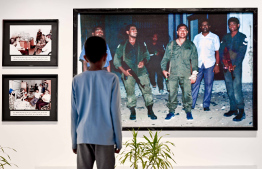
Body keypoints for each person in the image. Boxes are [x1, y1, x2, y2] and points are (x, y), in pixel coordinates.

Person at [71, 36, 122, 169]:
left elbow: (73, 114)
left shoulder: (77, 80)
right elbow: (115, 113)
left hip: (83, 136)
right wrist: (118, 140)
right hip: (105, 137)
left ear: (85, 58)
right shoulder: (112, 79)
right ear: (105, 56)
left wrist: (74, 141)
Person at [113, 24, 157, 120]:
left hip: (142, 72)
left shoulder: (141, 44)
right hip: (128, 73)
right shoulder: (122, 45)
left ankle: (150, 110)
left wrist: (143, 62)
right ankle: (132, 111)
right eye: (133, 29)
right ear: (127, 32)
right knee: (130, 93)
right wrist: (124, 71)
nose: (135, 31)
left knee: (147, 91)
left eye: (136, 29)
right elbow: (116, 61)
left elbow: (147, 56)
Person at [161, 24, 198, 120]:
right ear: (177, 32)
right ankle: (171, 111)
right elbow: (165, 58)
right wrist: (164, 70)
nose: (182, 31)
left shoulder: (191, 45)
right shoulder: (171, 44)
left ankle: (188, 111)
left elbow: (194, 60)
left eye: (184, 30)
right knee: (172, 93)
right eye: (180, 30)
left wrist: (194, 74)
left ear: (187, 32)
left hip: (186, 73)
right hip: (173, 73)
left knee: (187, 93)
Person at [219, 17, 248, 121]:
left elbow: (241, 52)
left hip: (236, 66)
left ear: (238, 25)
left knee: (236, 88)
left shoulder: (242, 37)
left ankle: (241, 111)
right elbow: (221, 50)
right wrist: (224, 62)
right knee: (229, 88)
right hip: (226, 66)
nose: (232, 26)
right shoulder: (225, 37)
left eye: (234, 24)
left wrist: (234, 64)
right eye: (230, 24)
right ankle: (233, 109)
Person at [191, 19, 220, 111]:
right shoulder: (197, 37)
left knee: (208, 84)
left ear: (209, 26)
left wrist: (217, 64)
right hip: (198, 64)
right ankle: (191, 104)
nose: (204, 27)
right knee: (195, 83)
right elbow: (193, 52)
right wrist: (192, 65)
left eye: (206, 25)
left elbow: (217, 52)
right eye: (203, 25)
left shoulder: (214, 37)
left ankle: (206, 105)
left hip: (210, 64)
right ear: (200, 27)